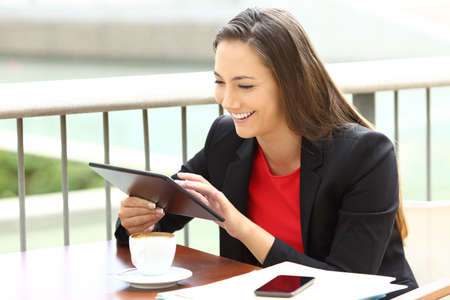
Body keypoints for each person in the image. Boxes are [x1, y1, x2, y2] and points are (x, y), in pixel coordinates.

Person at [115, 7, 417, 298]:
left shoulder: (366, 155)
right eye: (220, 82)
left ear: (291, 84)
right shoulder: (226, 139)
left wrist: (240, 226)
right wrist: (137, 219)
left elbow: (345, 287)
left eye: (245, 85)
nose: (228, 101)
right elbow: (160, 217)